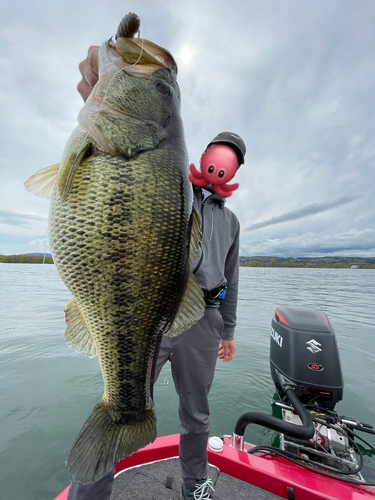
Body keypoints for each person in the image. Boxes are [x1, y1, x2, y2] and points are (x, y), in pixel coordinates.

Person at [68, 46, 246, 500]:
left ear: (234, 171)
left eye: (231, 160)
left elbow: (232, 274)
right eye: (216, 154)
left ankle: (195, 483)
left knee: (197, 413)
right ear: (204, 155)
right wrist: (101, 85)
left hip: (204, 319)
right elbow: (125, 165)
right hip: (154, 309)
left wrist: (228, 329)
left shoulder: (231, 221)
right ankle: (91, 493)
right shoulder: (175, 182)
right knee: (126, 394)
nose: (220, 163)